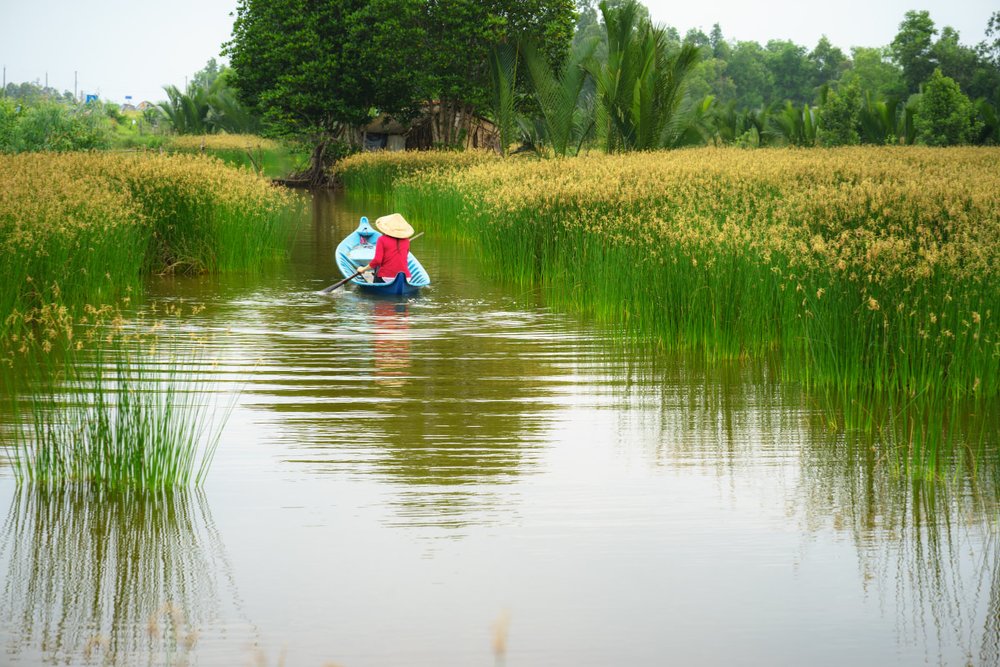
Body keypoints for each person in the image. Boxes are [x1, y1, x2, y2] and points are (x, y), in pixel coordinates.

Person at [356, 213, 414, 282]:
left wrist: (363, 269)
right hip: (406, 278)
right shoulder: (406, 241)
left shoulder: (382, 239)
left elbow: (377, 261)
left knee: (377, 266)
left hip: (386, 277)